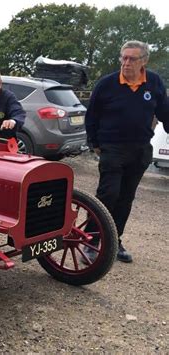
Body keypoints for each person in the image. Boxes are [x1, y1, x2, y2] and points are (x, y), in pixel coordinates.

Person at [85, 40, 168, 263]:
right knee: (108, 194)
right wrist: (94, 143)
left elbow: (164, 112)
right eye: (123, 58)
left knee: (125, 198)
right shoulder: (107, 84)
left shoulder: (154, 83)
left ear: (144, 61)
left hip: (140, 150)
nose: (126, 63)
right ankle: (91, 240)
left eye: (132, 59)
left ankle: (115, 240)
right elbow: (91, 115)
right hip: (112, 148)